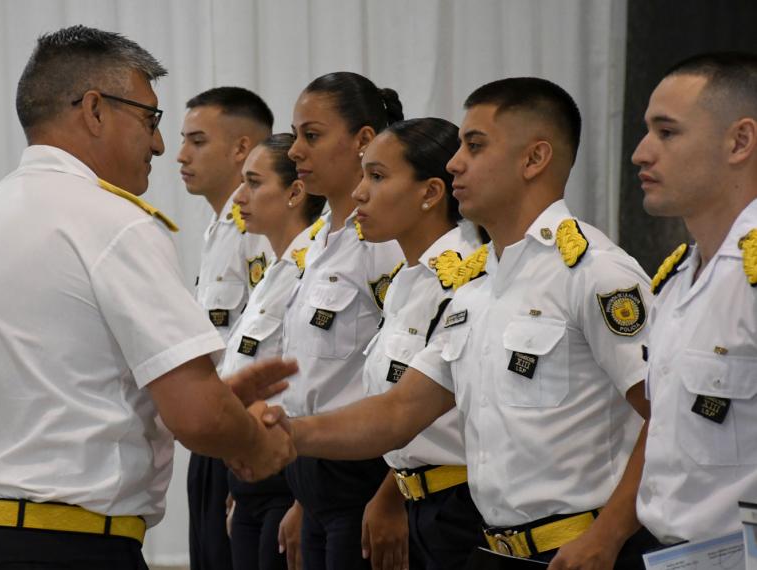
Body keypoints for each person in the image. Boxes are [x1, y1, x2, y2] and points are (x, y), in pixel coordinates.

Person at [0, 26, 295, 570]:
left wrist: (216, 398)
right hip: (63, 548)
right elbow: (198, 418)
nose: (160, 145)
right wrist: (256, 445)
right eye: (150, 119)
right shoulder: (114, 224)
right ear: (94, 109)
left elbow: (57, 392)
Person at [248, 77, 659, 570]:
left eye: (475, 145)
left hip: (581, 550)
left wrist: (608, 537)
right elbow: (399, 412)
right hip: (494, 548)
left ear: (534, 159)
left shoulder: (592, 272)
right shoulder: (477, 286)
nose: (455, 162)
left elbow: (665, 417)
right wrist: (288, 432)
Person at [632, 52, 757, 546]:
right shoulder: (679, 277)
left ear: (739, 141)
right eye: (647, 131)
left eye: (667, 132)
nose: (642, 152)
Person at [281, 71, 404, 570]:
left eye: (311, 135)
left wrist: (391, 492)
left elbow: (417, 377)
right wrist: (301, 498)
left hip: (362, 477)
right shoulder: (319, 243)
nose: (293, 150)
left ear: (364, 141)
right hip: (313, 474)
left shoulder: (385, 243)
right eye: (294, 135)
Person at [352, 117, 486, 570]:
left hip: (463, 506)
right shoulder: (408, 281)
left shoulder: (466, 279)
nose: (359, 193)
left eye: (377, 176)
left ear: (430, 193)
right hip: (416, 500)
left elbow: (414, 410)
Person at [177, 86, 275, 570]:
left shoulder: (262, 231)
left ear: (241, 147)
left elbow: (273, 349)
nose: (180, 155)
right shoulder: (219, 229)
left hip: (249, 437)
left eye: (197, 141)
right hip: (219, 433)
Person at [221, 133, 326, 570]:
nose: (239, 198)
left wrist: (303, 498)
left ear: (295, 192)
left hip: (288, 478)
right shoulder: (271, 273)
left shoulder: (313, 272)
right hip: (249, 476)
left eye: (253, 183)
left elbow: (317, 386)